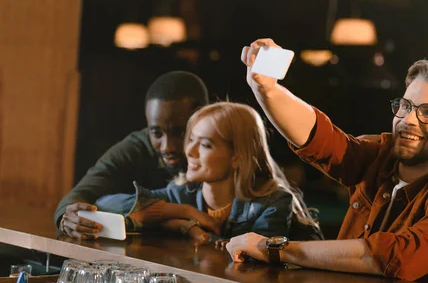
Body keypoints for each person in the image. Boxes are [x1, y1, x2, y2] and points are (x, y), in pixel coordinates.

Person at [226, 38, 428, 283]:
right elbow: (324, 141)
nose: (409, 120)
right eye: (406, 106)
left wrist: (277, 249)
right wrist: (266, 88)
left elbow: (395, 255)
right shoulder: (383, 154)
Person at [94, 102, 323, 242]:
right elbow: (105, 204)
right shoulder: (181, 196)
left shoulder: (272, 204)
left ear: (237, 157)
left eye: (204, 145)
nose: (189, 151)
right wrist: (186, 216)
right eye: (190, 140)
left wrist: (193, 231)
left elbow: (250, 258)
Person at [55, 71, 209, 240]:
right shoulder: (136, 148)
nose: (167, 147)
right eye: (156, 133)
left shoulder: (223, 147)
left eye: (180, 132)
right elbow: (83, 193)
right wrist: (68, 217)